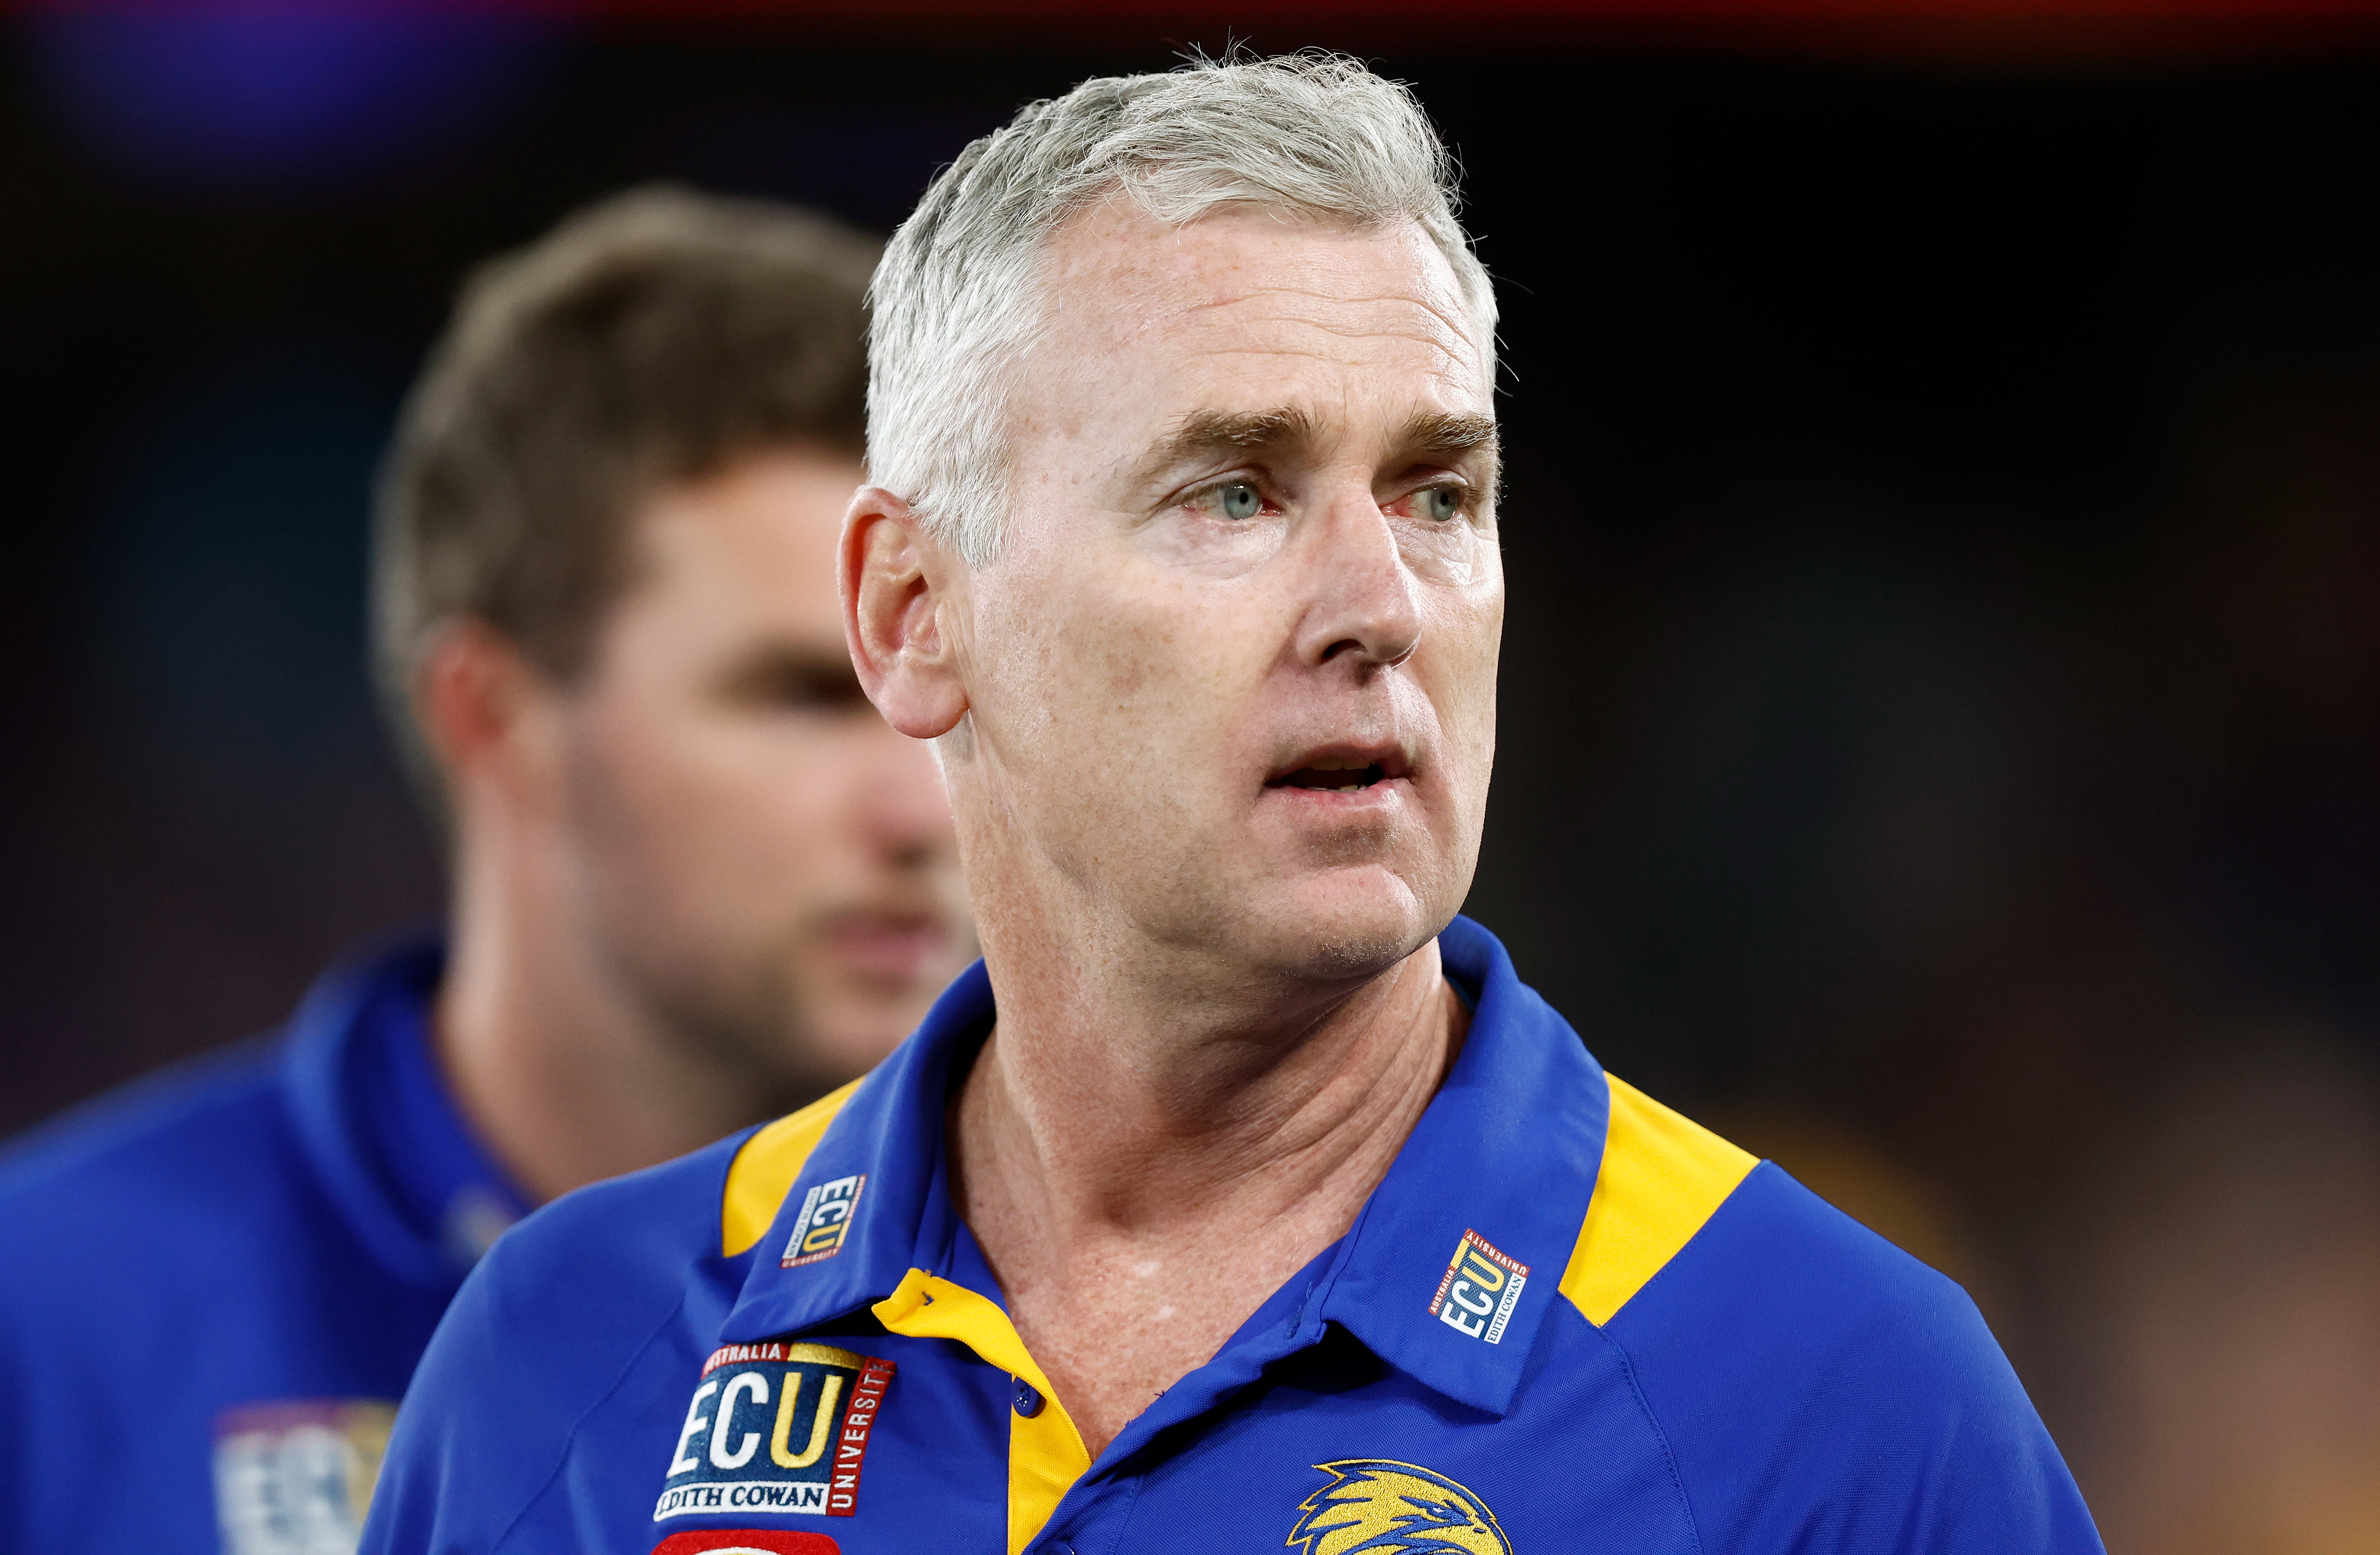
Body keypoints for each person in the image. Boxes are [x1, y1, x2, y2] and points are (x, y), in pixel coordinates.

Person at [362, 58, 2102, 1555]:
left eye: (1438, 489)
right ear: (912, 614)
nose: (1382, 600)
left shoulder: (1832, 1396)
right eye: (1234, 490)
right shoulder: (570, 1359)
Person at [0, 187, 971, 1555]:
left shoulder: (1154, 1327)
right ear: (493, 717)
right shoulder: (47, 1329)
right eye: (803, 695)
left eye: (951, 682)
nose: (925, 800)